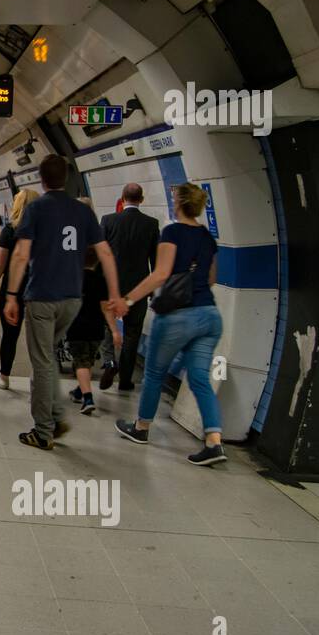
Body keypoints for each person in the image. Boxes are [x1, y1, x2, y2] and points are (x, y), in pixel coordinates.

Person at [3, 156, 127, 450]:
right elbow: (106, 255)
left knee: (43, 362)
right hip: (72, 298)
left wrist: (11, 295)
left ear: (41, 178)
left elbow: (21, 255)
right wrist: (116, 295)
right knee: (46, 359)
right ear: (68, 178)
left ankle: (45, 430)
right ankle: (54, 415)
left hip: (42, 297)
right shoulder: (82, 212)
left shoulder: (36, 208)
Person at [112, 182, 226, 466]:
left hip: (177, 316)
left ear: (178, 203)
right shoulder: (207, 238)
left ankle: (141, 428)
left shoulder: (172, 232)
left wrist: (128, 299)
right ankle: (214, 442)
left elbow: (161, 274)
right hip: (209, 316)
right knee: (200, 378)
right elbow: (211, 278)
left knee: (153, 374)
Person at [97, 183, 160, 392]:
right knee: (133, 333)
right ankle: (125, 380)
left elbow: (101, 254)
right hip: (138, 288)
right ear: (141, 200)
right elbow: (155, 261)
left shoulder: (108, 220)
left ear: (122, 198)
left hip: (111, 284)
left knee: (108, 325)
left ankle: (109, 362)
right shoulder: (151, 224)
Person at [0, 188, 38, 390]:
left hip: (12, 290)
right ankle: (40, 380)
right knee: (40, 337)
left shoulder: (10, 230)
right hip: (40, 288)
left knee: (10, 334)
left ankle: (4, 375)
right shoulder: (46, 230)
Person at [66, 247, 122, 416]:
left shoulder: (73, 279)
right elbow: (106, 309)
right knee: (88, 361)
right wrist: (114, 331)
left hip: (77, 326)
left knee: (81, 362)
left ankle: (88, 399)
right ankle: (79, 391)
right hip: (97, 328)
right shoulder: (101, 280)